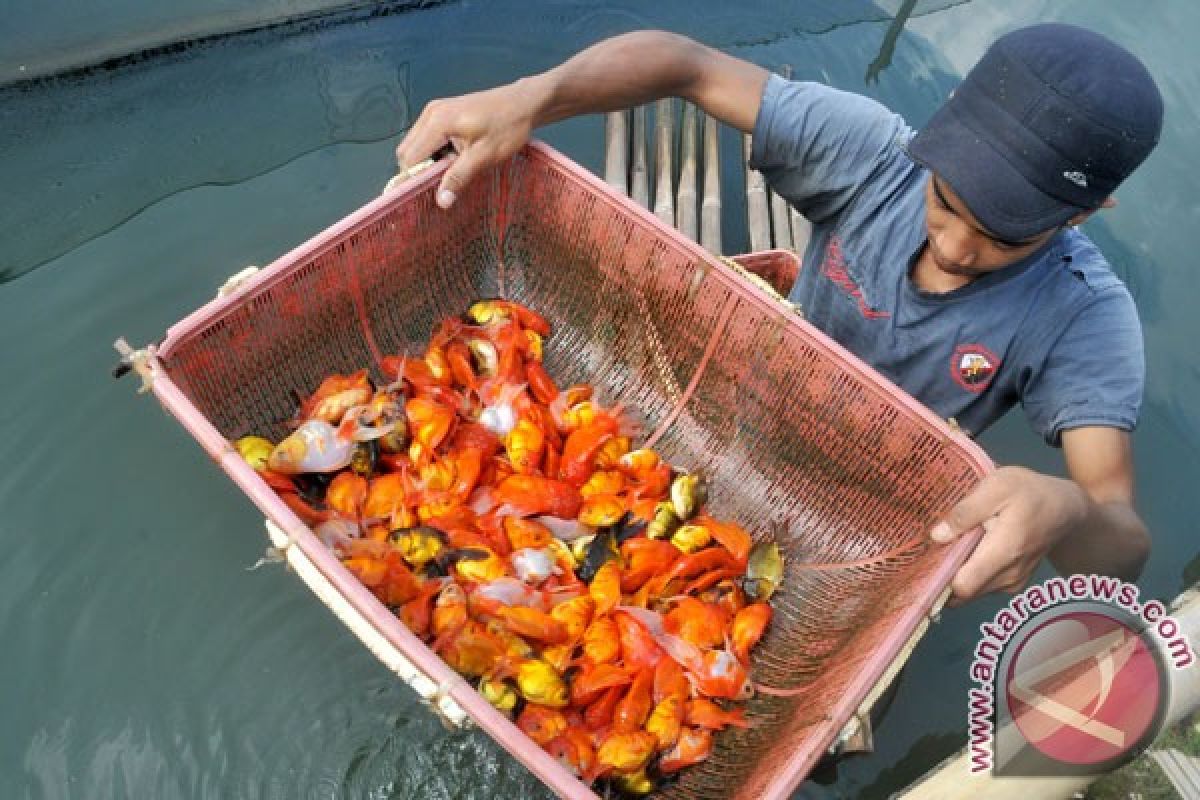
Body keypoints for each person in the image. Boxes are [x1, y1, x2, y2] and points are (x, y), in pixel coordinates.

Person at [396, 25, 1163, 606]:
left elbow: (1121, 541)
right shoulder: (877, 156)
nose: (956, 246)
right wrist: (530, 96)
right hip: (738, 417)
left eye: (1002, 235)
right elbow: (683, 65)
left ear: (1088, 212)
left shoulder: (1084, 317)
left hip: (870, 517)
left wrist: (1063, 507)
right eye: (946, 201)